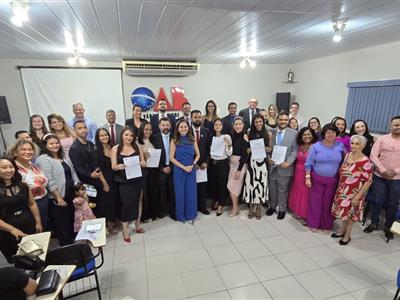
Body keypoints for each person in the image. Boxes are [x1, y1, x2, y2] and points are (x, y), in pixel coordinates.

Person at [35, 134, 78, 245]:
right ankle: (67, 246)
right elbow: (48, 180)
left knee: (70, 219)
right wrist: (58, 197)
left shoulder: (62, 157)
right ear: (45, 145)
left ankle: (74, 243)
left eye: (56, 143)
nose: (55, 145)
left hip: (70, 194)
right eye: (51, 143)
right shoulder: (43, 159)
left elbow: (72, 172)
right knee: (61, 224)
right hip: (57, 198)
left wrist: (78, 187)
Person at [331, 135, 373, 245]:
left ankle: (347, 236)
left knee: (350, 216)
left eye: (357, 144)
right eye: (352, 143)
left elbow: (368, 181)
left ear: (363, 146)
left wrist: (358, 197)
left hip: (355, 193)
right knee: (344, 214)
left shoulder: (366, 161)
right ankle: (342, 230)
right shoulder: (348, 155)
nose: (353, 146)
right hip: (343, 190)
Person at [364, 116, 400, 240]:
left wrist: (395, 171)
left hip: (396, 178)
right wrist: (383, 170)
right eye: (395, 125)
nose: (397, 127)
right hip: (380, 176)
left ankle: (388, 227)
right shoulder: (382, 139)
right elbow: (373, 156)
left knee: (392, 203)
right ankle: (374, 223)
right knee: (377, 200)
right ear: (390, 126)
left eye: (399, 125)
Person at [305, 123, 346, 232]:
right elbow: (309, 163)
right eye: (328, 132)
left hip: (332, 180)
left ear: (336, 134)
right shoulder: (315, 146)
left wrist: (341, 167)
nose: (330, 135)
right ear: (324, 134)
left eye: (333, 133)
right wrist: (307, 177)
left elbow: (346, 160)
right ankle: (313, 223)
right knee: (315, 202)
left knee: (328, 203)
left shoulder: (340, 146)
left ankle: (326, 224)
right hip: (317, 179)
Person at [0, 156, 42, 263]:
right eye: (4, 167)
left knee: (37, 255)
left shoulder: (23, 186)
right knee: (19, 260)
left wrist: (38, 222)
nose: (8, 170)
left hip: (28, 225)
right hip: (7, 232)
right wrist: (12, 230)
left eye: (11, 167)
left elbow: (32, 204)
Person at [111, 127, 146, 243]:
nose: (129, 137)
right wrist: (119, 166)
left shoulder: (137, 147)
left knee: (138, 201)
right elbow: (113, 166)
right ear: (122, 135)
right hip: (123, 180)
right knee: (126, 204)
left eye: (131, 135)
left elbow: (144, 163)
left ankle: (137, 225)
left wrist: (141, 163)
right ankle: (125, 230)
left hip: (137, 179)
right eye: (126, 135)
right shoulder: (115, 148)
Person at [69, 120, 109, 212]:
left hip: (97, 180)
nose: (83, 130)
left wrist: (102, 181)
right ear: (75, 131)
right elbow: (77, 168)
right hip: (86, 184)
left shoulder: (90, 144)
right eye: (79, 128)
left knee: (100, 205)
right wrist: (90, 175)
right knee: (91, 208)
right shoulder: (75, 148)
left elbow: (96, 163)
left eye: (84, 127)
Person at [9, 140, 49, 230]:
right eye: (23, 149)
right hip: (29, 206)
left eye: (30, 149)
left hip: (43, 201)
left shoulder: (31, 164)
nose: (27, 152)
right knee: (35, 231)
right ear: (15, 152)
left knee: (44, 229)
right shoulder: (13, 168)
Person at [266, 111, 298, 220]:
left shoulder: (294, 133)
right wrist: (267, 158)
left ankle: (282, 209)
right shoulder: (271, 132)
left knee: (282, 190)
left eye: (285, 120)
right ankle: (272, 206)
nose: (283, 121)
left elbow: (295, 151)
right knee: (272, 189)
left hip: (285, 167)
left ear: (288, 121)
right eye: (281, 119)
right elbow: (267, 148)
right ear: (277, 120)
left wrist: (288, 162)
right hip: (272, 166)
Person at [170, 119, 200, 224]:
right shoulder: (174, 140)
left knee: (191, 193)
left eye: (185, 127)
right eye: (181, 127)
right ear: (177, 129)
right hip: (179, 170)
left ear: (189, 128)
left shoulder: (192, 139)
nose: (183, 129)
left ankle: (191, 216)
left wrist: (192, 164)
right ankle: (181, 216)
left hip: (191, 169)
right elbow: (171, 158)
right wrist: (184, 167)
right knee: (180, 193)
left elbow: (198, 155)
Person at [243, 114, 271, 220]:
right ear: (253, 123)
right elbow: (246, 149)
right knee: (250, 184)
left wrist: (267, 149)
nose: (258, 124)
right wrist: (248, 150)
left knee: (261, 185)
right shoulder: (249, 133)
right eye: (256, 122)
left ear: (263, 122)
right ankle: (251, 207)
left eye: (260, 122)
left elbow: (270, 149)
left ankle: (258, 207)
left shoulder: (268, 133)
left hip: (262, 163)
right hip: (252, 162)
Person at [288, 127, 318, 222]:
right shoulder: (300, 146)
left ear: (313, 135)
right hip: (297, 172)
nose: (307, 136)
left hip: (309, 174)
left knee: (307, 194)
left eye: (309, 134)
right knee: (298, 192)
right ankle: (298, 211)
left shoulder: (316, 146)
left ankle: (306, 214)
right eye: (304, 135)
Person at [95, 128, 119, 233]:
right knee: (107, 203)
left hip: (115, 178)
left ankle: (115, 220)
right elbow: (97, 169)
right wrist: (104, 183)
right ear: (98, 138)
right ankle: (109, 225)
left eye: (106, 135)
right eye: (101, 136)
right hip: (105, 179)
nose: (104, 137)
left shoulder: (112, 147)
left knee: (115, 201)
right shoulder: (96, 150)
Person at [151, 117, 175, 219]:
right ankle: (162, 211)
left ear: (170, 126)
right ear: (159, 126)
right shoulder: (154, 138)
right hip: (160, 170)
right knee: (162, 191)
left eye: (167, 125)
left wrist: (171, 166)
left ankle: (173, 212)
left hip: (173, 168)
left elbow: (178, 154)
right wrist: (162, 168)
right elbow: (153, 156)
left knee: (173, 191)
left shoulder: (175, 137)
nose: (165, 127)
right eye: (163, 125)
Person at [209, 118, 232, 216]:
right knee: (214, 184)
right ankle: (216, 200)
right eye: (216, 125)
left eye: (219, 124)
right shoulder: (212, 137)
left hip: (223, 163)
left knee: (222, 184)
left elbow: (229, 153)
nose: (218, 126)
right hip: (213, 163)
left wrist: (229, 144)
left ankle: (221, 205)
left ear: (222, 126)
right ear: (213, 127)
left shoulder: (226, 136)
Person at [137, 121, 159, 222]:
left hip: (153, 171)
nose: (148, 131)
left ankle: (153, 213)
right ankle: (145, 216)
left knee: (153, 192)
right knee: (145, 194)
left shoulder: (152, 140)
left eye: (150, 129)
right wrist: (145, 158)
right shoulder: (138, 142)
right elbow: (139, 160)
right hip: (144, 171)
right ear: (141, 130)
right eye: (146, 129)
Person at [191, 110, 212, 215]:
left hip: (203, 166)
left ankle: (202, 207)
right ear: (191, 118)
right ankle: (193, 207)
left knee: (202, 188)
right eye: (195, 117)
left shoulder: (206, 131)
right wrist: (193, 163)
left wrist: (206, 162)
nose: (198, 119)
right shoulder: (187, 131)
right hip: (191, 166)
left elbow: (208, 149)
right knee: (192, 188)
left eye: (199, 117)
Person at [227, 117, 248, 217]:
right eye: (236, 124)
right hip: (232, 164)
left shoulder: (245, 137)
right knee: (231, 186)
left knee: (233, 186)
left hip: (240, 165)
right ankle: (235, 205)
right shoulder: (232, 136)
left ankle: (235, 207)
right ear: (233, 125)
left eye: (240, 124)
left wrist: (239, 170)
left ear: (243, 125)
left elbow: (245, 156)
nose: (238, 126)